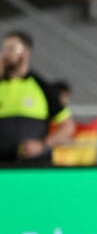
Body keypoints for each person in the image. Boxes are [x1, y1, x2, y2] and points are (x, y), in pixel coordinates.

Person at [0, 31, 75, 164]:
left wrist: (42, 145)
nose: (7, 54)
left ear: (26, 52)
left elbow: (68, 126)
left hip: (35, 167)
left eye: (13, 48)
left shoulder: (42, 87)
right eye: (5, 48)